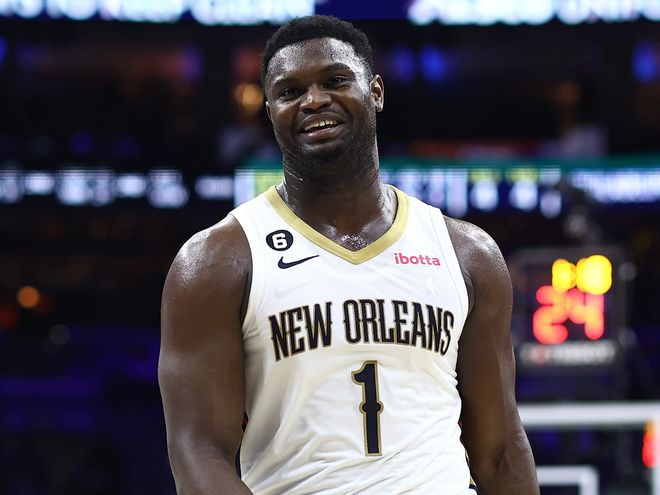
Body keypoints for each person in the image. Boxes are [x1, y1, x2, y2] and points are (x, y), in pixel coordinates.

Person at [159, 15, 539, 495]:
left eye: (335, 81)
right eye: (290, 91)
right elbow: (198, 452)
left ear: (375, 92)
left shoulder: (467, 253)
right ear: (270, 111)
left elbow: (500, 450)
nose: (314, 100)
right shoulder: (217, 260)